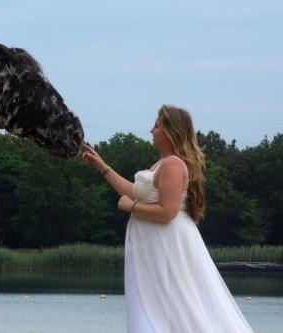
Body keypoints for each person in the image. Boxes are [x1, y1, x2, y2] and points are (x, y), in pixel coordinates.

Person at [81, 105, 254, 333]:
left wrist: (131, 207)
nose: (151, 130)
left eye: (157, 125)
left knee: (176, 306)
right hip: (155, 246)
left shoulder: (172, 164)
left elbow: (167, 212)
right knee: (161, 308)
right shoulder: (162, 163)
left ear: (172, 132)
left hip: (166, 245)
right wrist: (102, 167)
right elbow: (134, 190)